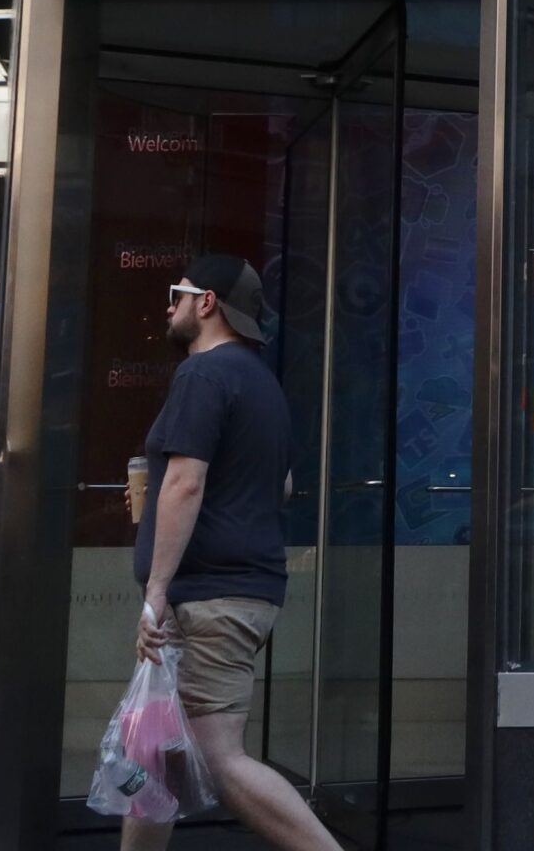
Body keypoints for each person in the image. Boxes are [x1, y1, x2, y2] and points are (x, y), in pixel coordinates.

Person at [127, 254, 333, 851]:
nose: (169, 306)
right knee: (159, 752)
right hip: (237, 594)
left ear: (208, 302)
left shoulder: (203, 374)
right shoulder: (262, 383)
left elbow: (185, 483)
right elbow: (280, 485)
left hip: (207, 598)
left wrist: (156, 591)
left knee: (219, 759)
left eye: (178, 293)